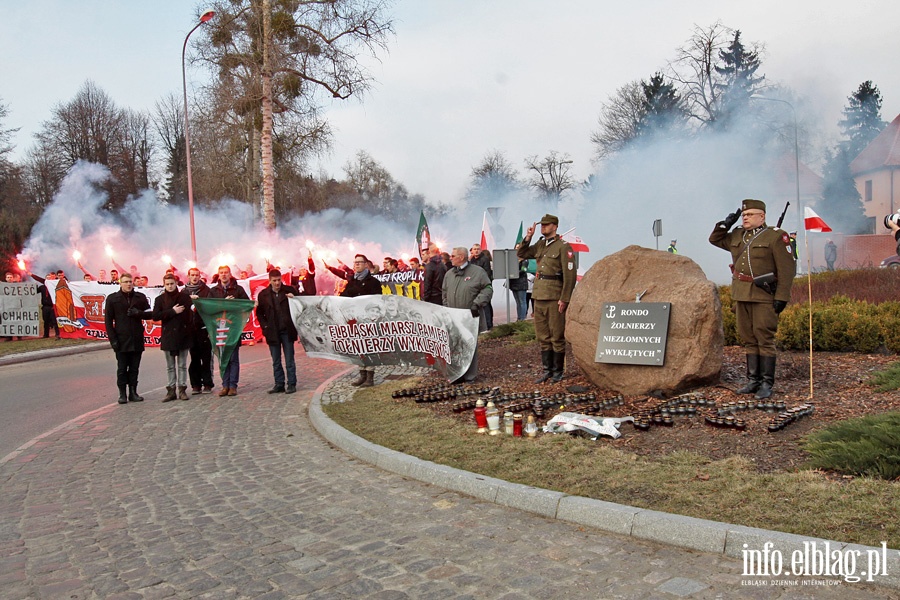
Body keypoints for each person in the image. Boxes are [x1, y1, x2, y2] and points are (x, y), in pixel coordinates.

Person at [709, 199, 796, 400]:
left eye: (750, 215)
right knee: (748, 338)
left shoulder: (776, 236)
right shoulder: (738, 235)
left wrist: (782, 296)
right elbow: (715, 239)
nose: (745, 218)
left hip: (764, 295)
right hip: (741, 294)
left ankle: (766, 383)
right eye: (744, 215)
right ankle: (753, 380)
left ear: (762, 216)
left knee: (764, 338)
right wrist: (725, 224)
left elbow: (787, 270)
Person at [517, 214, 577, 383]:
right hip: (539, 294)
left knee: (556, 335)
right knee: (543, 336)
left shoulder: (563, 247)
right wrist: (528, 237)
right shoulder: (541, 244)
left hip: (554, 295)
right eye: (542, 225)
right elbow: (521, 253)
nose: (543, 227)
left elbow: (569, 275)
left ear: (555, 226)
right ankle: (547, 370)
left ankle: (558, 371)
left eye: (546, 225)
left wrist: (565, 298)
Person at [443, 247, 493, 383]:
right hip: (454, 316)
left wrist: (477, 303)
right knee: (454, 346)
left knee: (469, 346)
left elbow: (488, 288)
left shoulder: (477, 272)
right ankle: (457, 375)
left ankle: (470, 376)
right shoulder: (449, 274)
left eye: (453, 256)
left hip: (471, 315)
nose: (450, 258)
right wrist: (447, 308)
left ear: (462, 257)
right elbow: (444, 292)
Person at [104, 273, 151, 404]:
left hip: (136, 338)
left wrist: (139, 313)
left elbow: (150, 314)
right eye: (125, 282)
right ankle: (122, 394)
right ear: (120, 283)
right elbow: (108, 321)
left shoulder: (139, 297)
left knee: (134, 368)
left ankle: (133, 392)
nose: (129, 284)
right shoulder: (113, 299)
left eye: (130, 281)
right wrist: (113, 340)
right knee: (122, 368)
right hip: (121, 339)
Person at [341, 254, 383, 387]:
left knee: (369, 347)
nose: (357, 264)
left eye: (360, 262)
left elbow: (377, 300)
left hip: (368, 320)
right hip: (355, 320)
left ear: (366, 264)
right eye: (355, 262)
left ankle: (370, 376)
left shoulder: (373, 282)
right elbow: (344, 297)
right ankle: (362, 374)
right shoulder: (352, 281)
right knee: (359, 347)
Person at [256, 269, 299, 394]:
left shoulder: (289, 291)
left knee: (289, 359)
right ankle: (279, 383)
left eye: (279, 280)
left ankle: (291, 383)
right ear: (270, 281)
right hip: (272, 331)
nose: (277, 283)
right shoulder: (263, 294)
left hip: (287, 330)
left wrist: (294, 299)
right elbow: (259, 313)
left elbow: (299, 305)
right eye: (274, 280)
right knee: (276, 360)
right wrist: (265, 327)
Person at [152, 273, 194, 401]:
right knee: (170, 366)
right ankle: (171, 390)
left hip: (183, 335)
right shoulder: (160, 299)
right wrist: (172, 312)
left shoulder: (184, 297)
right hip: (168, 335)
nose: (170, 286)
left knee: (182, 365)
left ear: (176, 283)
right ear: (164, 285)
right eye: (167, 284)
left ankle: (182, 389)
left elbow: (189, 315)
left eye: (172, 283)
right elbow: (155, 316)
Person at [209, 265, 250, 396]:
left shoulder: (238, 289)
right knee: (223, 359)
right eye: (221, 273)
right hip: (219, 329)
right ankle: (224, 385)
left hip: (233, 329)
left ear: (230, 274)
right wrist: (223, 303)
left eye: (226, 272)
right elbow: (210, 308)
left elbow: (246, 305)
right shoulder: (214, 291)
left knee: (233, 359)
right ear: (218, 274)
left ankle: (233, 385)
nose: (224, 275)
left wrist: (235, 303)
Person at [184, 267, 214, 394]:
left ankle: (207, 383)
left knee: (206, 358)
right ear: (188, 276)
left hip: (203, 328)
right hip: (190, 330)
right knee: (194, 358)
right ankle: (195, 384)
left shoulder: (207, 290)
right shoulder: (184, 292)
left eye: (197, 275)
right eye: (192, 275)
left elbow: (211, 310)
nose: (195, 277)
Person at [470, 243, 494, 329]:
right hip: (474, 286)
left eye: (478, 249)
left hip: (483, 285)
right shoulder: (472, 260)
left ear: (480, 250)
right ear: (472, 251)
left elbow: (486, 273)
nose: (476, 251)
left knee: (485, 305)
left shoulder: (485, 259)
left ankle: (488, 324)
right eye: (474, 249)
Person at [509, 253, 529, 322]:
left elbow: (523, 270)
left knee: (522, 301)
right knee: (518, 302)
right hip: (513, 283)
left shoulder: (525, 261)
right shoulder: (512, 260)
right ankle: (519, 317)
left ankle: (522, 318)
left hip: (521, 283)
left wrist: (513, 274)